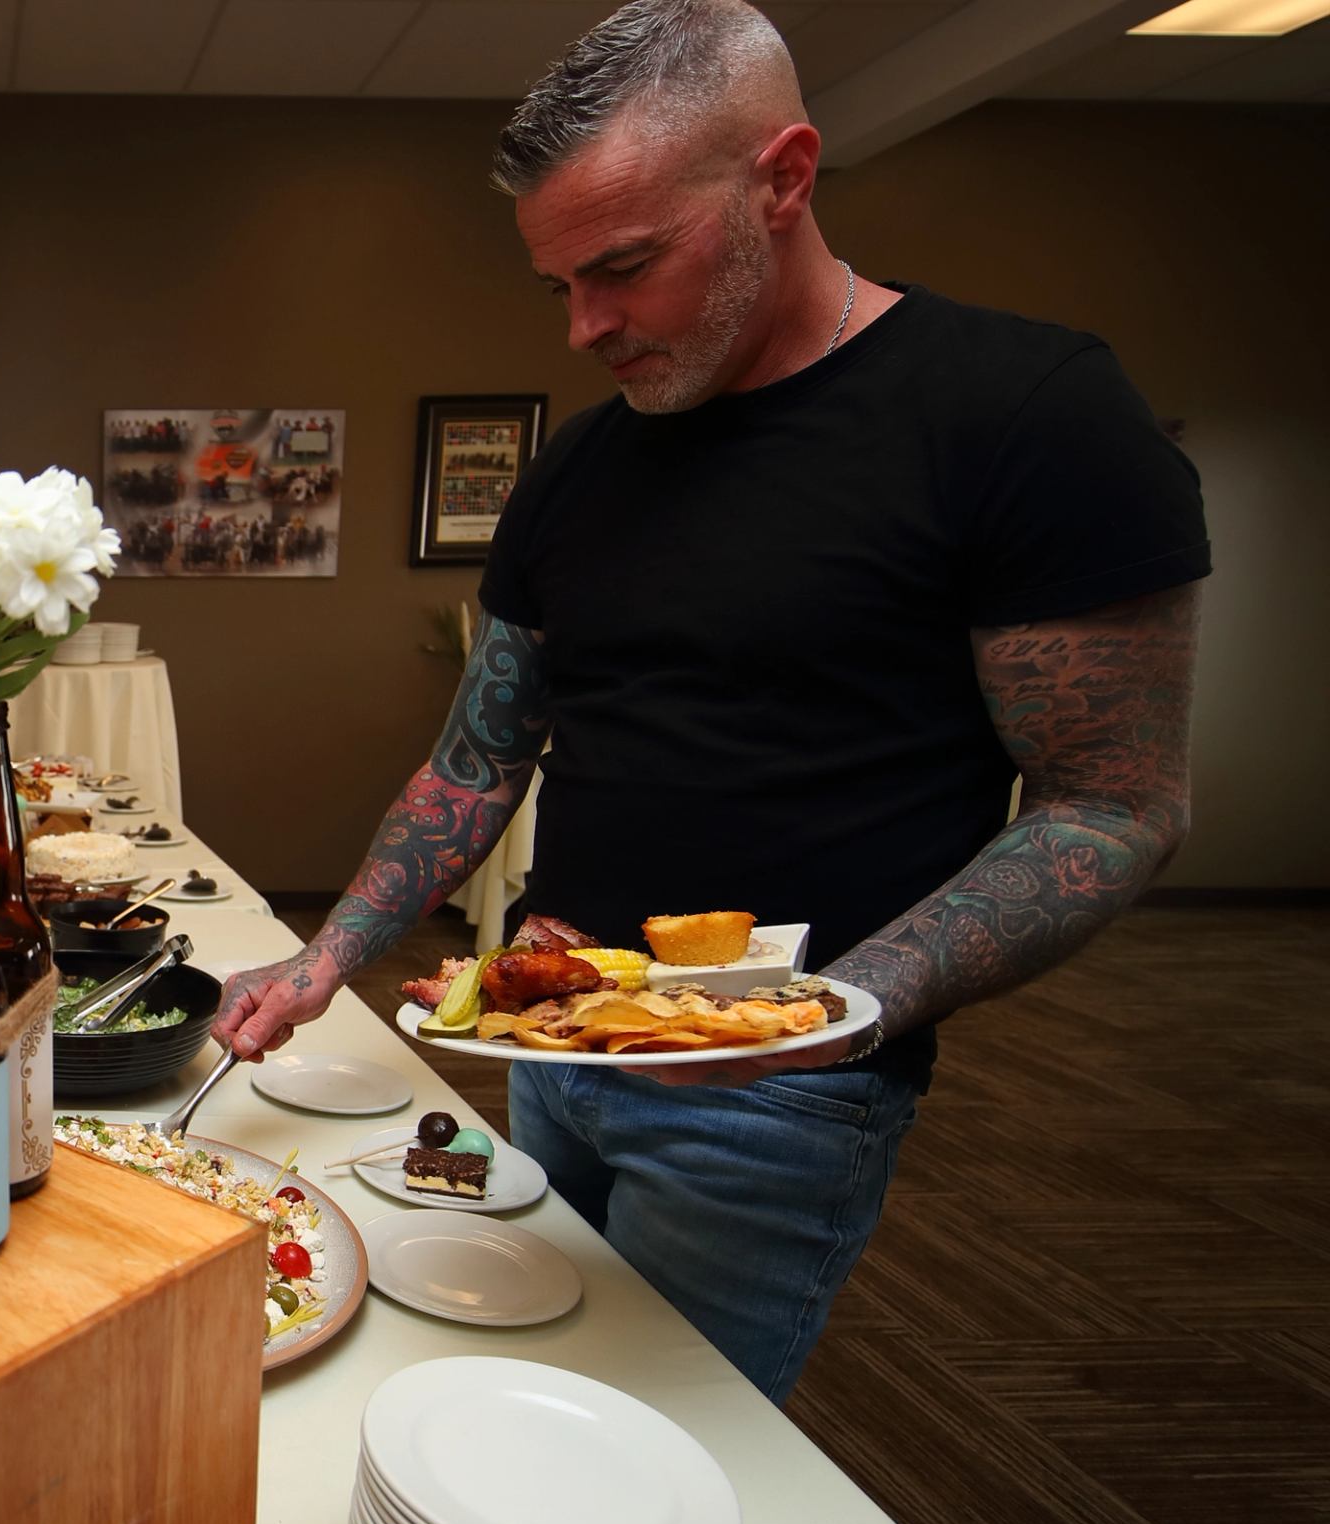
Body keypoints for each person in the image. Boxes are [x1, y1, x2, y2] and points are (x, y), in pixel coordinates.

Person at [212, 0, 1207, 1403]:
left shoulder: (1028, 414)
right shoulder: (579, 470)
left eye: (624, 267)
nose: (586, 327)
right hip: (551, 1040)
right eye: (559, 285)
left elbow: (1111, 804)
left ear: (783, 178)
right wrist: (327, 959)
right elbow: (476, 763)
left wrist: (813, 1015)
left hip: (780, 1097)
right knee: (529, 1385)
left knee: (666, 1437)